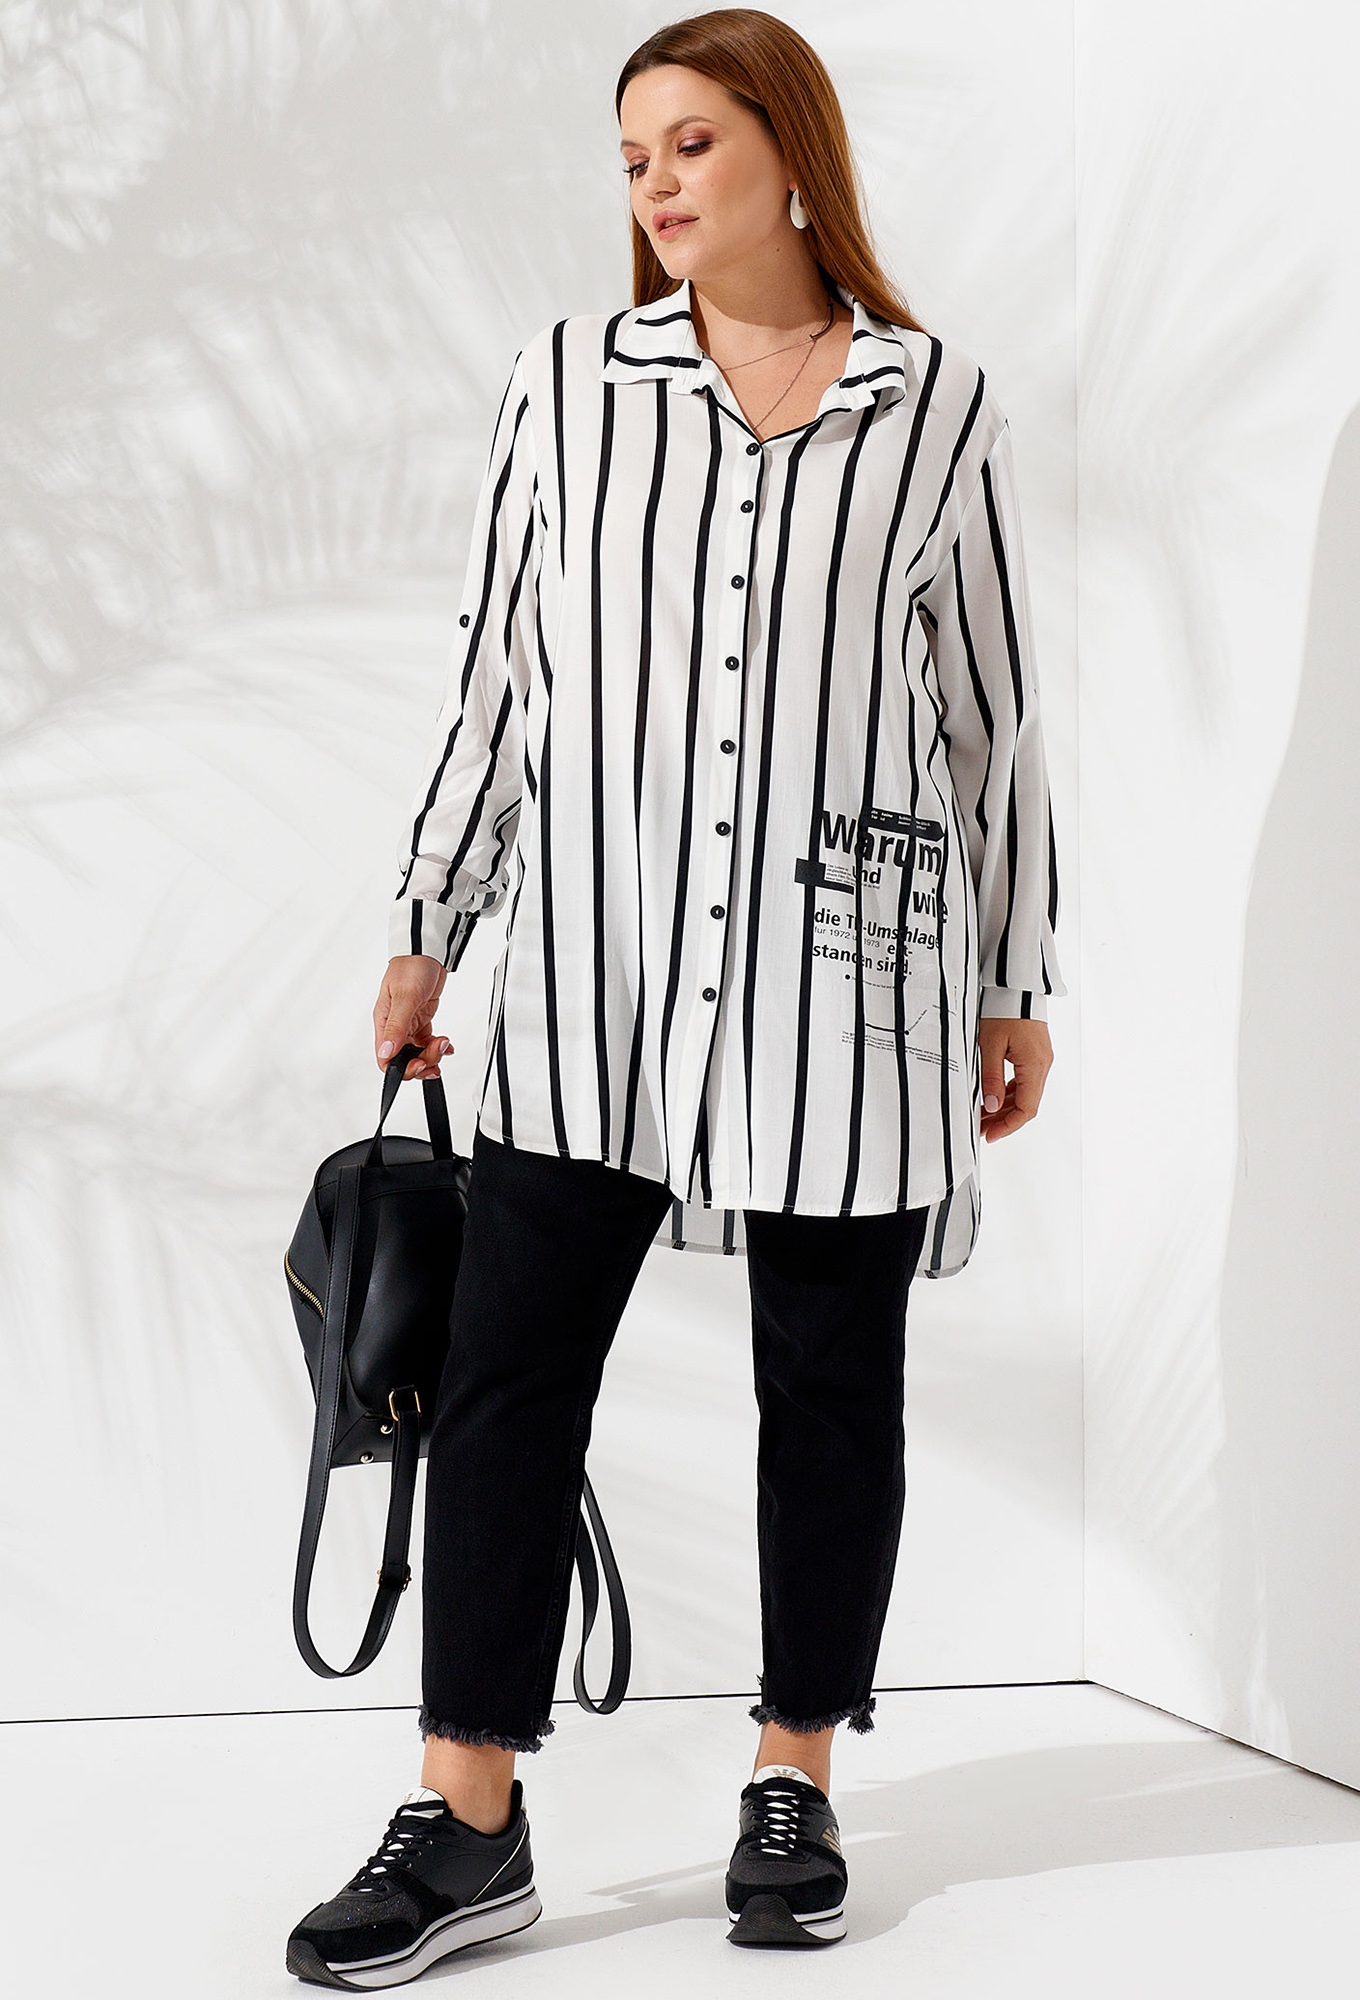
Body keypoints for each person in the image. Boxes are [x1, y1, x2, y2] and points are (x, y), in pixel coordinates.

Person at [287, 7, 1065, 1986]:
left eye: (691, 141)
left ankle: (792, 1778)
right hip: (593, 974)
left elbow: (988, 720)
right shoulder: (568, 385)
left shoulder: (931, 405)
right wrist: (429, 921)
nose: (651, 180)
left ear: (790, 156)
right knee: (503, 1380)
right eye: (632, 152)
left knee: (831, 1385)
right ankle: (469, 1815)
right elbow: (499, 681)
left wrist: (1013, 971)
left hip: (850, 979)